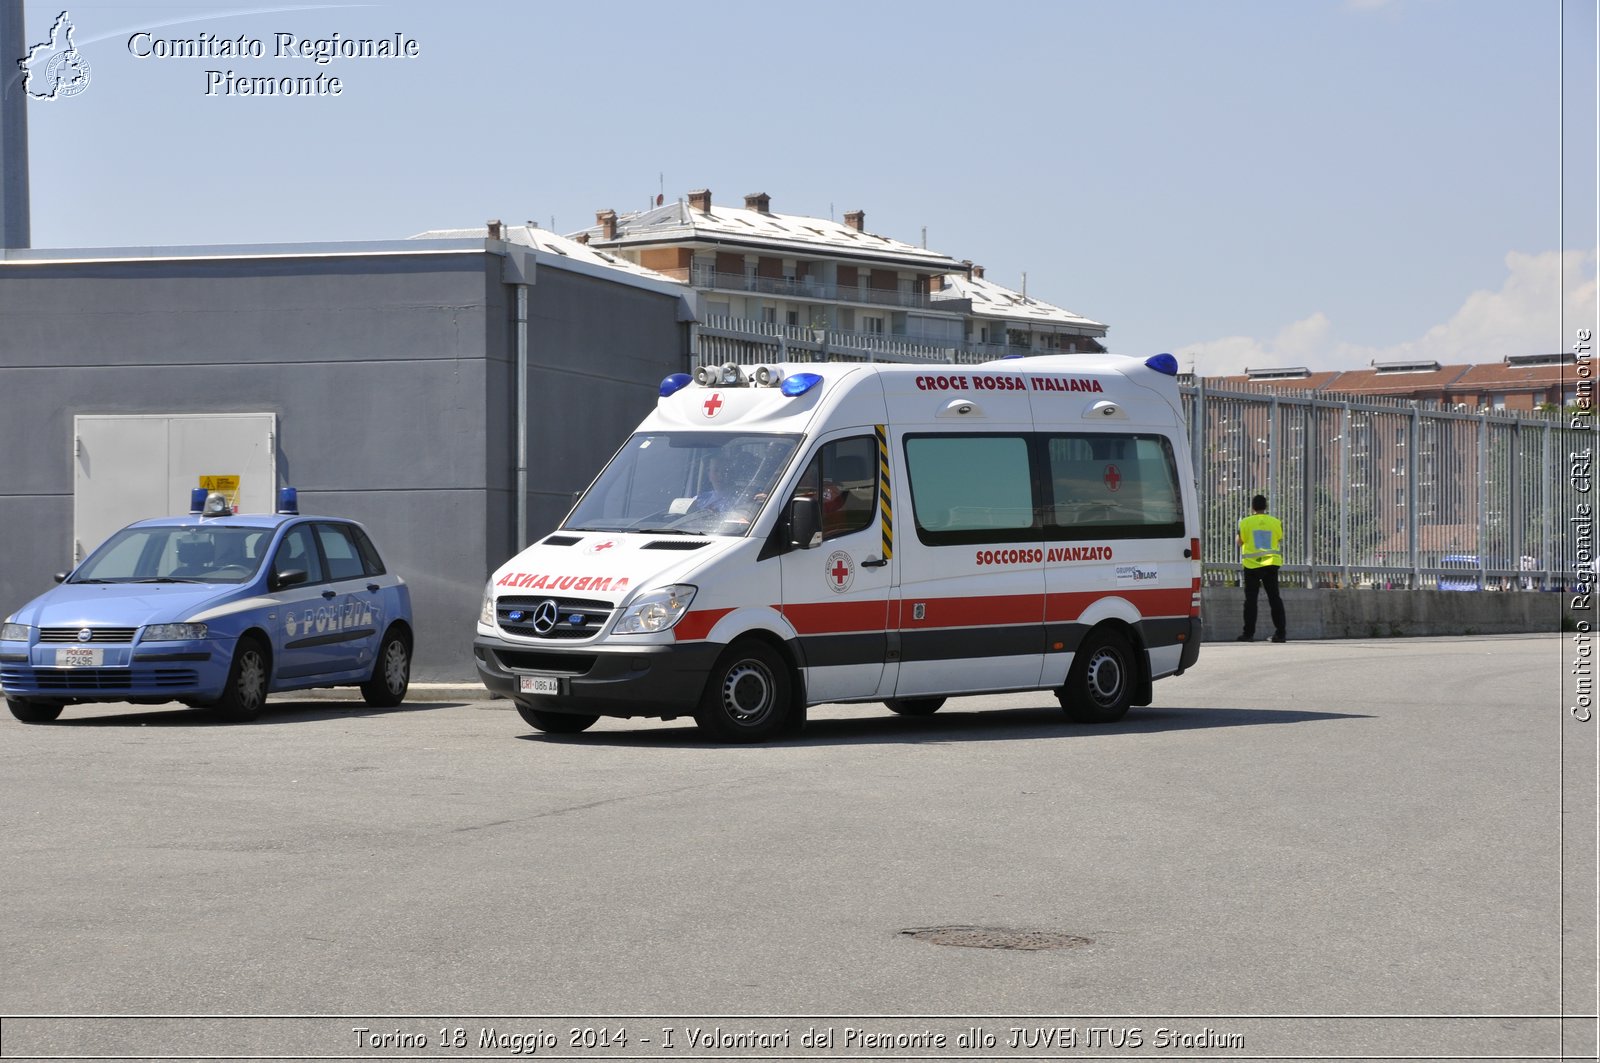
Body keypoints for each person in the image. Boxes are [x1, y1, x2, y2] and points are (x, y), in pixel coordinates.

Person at [1236, 494, 1287, 643]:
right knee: (1274, 598)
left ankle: (1248, 634)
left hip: (1252, 565)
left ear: (1252, 507)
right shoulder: (1275, 522)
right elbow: (1278, 538)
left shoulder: (1245, 522)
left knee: (1251, 600)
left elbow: (1239, 542)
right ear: (1265, 507)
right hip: (1271, 563)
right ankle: (1281, 633)